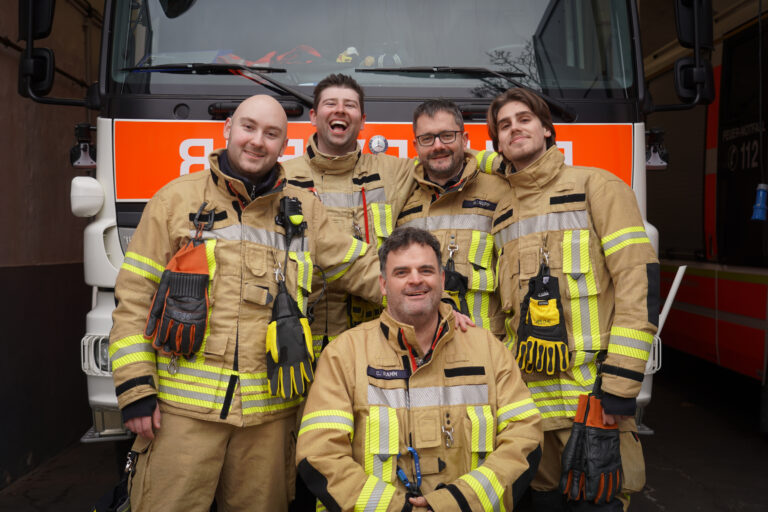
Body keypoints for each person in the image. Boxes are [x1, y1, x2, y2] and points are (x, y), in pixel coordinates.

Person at [108, 95, 383, 512]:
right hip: (181, 416)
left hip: (268, 422)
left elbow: (360, 267)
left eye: (271, 134)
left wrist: (435, 302)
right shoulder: (175, 200)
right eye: (248, 127)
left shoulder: (304, 211)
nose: (257, 141)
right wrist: (136, 390)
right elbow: (133, 298)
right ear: (228, 130)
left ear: (284, 145)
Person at [487, 88, 659, 511]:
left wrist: (619, 387)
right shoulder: (501, 213)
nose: (514, 129)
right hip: (530, 417)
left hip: (595, 405)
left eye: (524, 119)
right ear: (498, 145)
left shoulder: (597, 185)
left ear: (547, 129)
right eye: (504, 126)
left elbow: (637, 282)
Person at [296, 227, 543, 511]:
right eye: (401, 272)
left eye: (425, 270)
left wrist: (452, 504)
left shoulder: (487, 349)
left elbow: (525, 439)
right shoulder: (344, 354)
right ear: (383, 284)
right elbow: (320, 454)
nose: (415, 279)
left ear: (441, 280)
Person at [282, 74, 414, 352]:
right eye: (331, 103)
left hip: (376, 344)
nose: (340, 110)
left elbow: (448, 157)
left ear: (362, 120)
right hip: (302, 344)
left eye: (350, 105)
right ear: (313, 117)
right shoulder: (283, 178)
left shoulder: (393, 172)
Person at [396, 99, 510, 338]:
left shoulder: (501, 191)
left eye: (447, 136)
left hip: (484, 347)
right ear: (415, 145)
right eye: (427, 138)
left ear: (465, 139)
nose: (438, 145)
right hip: (417, 347)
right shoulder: (400, 195)